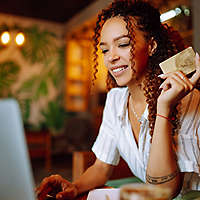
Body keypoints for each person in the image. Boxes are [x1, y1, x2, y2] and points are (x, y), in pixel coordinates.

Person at [37, 0, 200, 199]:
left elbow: (164, 191)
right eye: (105, 50)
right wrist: (75, 187)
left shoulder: (188, 101)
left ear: (151, 46)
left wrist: (164, 108)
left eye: (123, 44)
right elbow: (102, 167)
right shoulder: (115, 100)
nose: (110, 57)